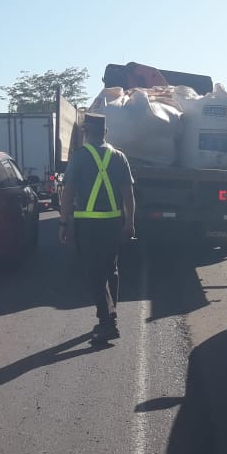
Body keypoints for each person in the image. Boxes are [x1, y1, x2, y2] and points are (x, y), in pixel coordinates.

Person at [59, 113, 136, 343]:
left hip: (88, 224)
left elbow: (69, 192)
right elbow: (128, 194)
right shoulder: (119, 157)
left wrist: (63, 222)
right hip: (113, 223)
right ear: (105, 132)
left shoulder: (79, 157)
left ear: (85, 132)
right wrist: (130, 222)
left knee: (95, 273)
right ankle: (110, 315)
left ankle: (107, 322)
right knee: (110, 270)